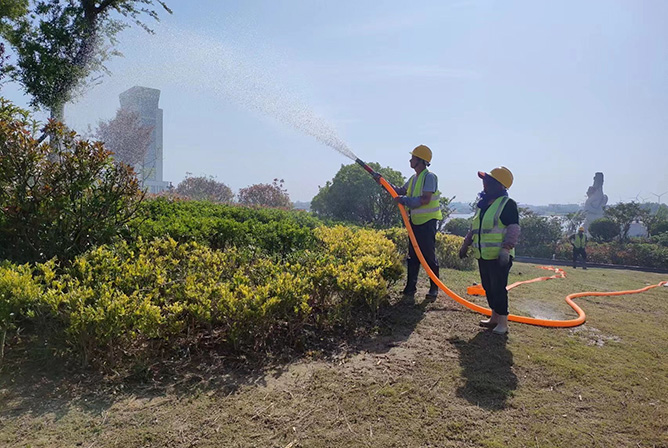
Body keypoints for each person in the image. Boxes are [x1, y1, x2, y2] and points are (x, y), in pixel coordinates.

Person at [458, 167, 520, 335]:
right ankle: (494, 318)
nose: (484, 184)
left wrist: (506, 249)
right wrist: (466, 244)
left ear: (500, 185)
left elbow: (514, 228)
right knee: (488, 287)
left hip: (499, 256)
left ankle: (503, 323)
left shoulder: (507, 204)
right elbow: (474, 228)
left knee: (498, 288)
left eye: (489, 181)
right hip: (483, 255)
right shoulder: (483, 204)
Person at [377, 145, 443, 303]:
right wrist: (382, 182)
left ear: (421, 161)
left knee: (428, 256)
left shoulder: (429, 177)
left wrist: (405, 200)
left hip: (427, 223)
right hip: (415, 223)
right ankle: (410, 288)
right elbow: (399, 191)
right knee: (413, 256)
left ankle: (434, 288)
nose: (410, 160)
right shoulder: (413, 178)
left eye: (413, 158)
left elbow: (425, 199)